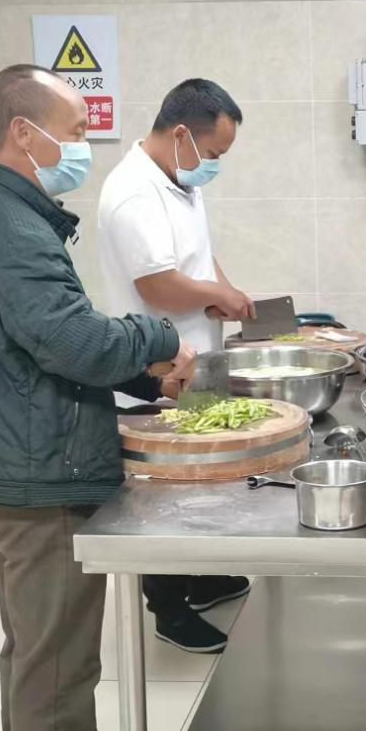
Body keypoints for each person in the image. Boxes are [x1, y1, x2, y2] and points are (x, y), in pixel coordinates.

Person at [0, 64, 195, 731]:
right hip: (37, 468)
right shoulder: (13, 231)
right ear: (25, 134)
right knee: (56, 650)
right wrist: (157, 339)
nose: (84, 145)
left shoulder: (5, 213)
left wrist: (139, 376)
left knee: (33, 641)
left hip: (20, 450)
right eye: (76, 130)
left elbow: (41, 341)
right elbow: (72, 340)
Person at [98, 78, 256, 654]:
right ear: (182, 134)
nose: (214, 165)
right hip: (156, 370)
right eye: (213, 153)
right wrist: (216, 295)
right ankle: (167, 608)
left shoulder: (178, 178)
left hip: (195, 359)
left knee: (198, 480)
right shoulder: (134, 193)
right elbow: (158, 285)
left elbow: (197, 255)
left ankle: (200, 576)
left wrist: (223, 291)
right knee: (163, 493)